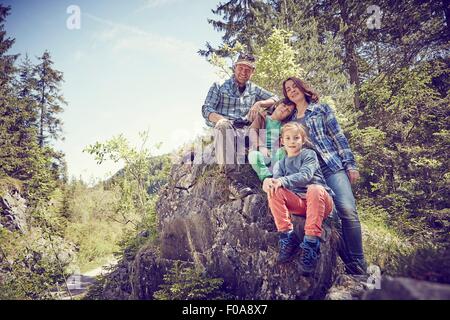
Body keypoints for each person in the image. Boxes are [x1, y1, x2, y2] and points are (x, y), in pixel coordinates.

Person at [282, 76, 367, 275]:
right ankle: (347, 264)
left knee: (347, 209)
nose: (292, 90)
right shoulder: (290, 119)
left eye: (295, 86)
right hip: (311, 173)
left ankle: (358, 262)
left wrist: (350, 164)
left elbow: (338, 136)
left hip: (331, 166)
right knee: (332, 217)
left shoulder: (321, 109)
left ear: (303, 88)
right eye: (288, 89)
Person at [201, 53, 278, 199]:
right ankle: (231, 180)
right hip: (226, 127)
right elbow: (206, 109)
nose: (244, 72)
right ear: (235, 67)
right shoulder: (219, 85)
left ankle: (281, 176)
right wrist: (222, 121)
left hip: (248, 130)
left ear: (252, 72)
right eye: (241, 67)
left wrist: (260, 103)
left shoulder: (254, 89)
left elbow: (276, 98)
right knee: (223, 126)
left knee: (271, 122)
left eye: (248, 69)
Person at [263, 122, 334, 276]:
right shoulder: (280, 164)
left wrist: (282, 181)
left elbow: (305, 176)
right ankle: (287, 237)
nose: (292, 141)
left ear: (303, 140)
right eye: (288, 138)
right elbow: (277, 182)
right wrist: (268, 183)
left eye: (296, 138)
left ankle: (310, 244)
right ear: (282, 141)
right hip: (299, 204)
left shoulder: (309, 154)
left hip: (320, 201)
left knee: (314, 188)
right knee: (274, 191)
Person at [247, 100, 294, 181]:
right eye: (283, 105)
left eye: (288, 110)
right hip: (260, 151)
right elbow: (252, 131)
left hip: (275, 155)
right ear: (276, 105)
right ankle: (266, 177)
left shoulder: (285, 126)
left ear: (288, 116)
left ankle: (278, 176)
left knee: (283, 152)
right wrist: (261, 147)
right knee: (253, 155)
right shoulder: (262, 117)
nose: (284, 109)